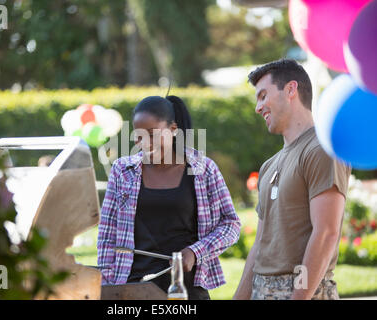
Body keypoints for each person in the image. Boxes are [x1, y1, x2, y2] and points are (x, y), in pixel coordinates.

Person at [97, 95, 241, 300]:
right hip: (133, 288)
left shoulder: (203, 169)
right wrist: (108, 287)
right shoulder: (122, 171)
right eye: (138, 136)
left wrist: (194, 252)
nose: (144, 143)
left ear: (173, 129)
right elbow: (107, 234)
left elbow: (231, 224)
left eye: (152, 134)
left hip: (186, 288)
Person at [233, 59, 351, 300]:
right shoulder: (268, 166)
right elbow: (260, 245)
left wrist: (299, 296)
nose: (258, 107)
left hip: (304, 291)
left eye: (263, 96)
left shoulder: (322, 148)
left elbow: (325, 233)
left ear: (290, 90)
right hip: (261, 290)